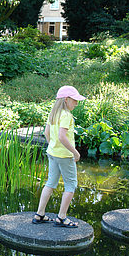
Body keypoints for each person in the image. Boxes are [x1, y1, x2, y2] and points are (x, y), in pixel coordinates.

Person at [32, 85, 86, 228]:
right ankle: (61, 217)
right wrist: (75, 152)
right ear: (66, 99)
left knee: (50, 183)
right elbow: (62, 136)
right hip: (64, 156)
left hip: (52, 153)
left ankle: (39, 214)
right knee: (70, 185)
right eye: (74, 100)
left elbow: (46, 133)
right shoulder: (67, 115)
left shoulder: (53, 113)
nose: (76, 103)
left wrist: (52, 146)